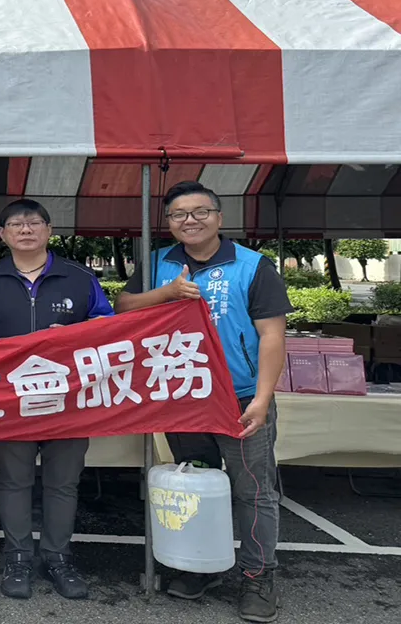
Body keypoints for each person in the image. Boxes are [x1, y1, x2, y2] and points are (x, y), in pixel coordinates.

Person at [116, 180, 289, 624]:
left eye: (199, 212)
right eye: (178, 214)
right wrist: (166, 294)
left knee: (253, 490)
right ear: (169, 222)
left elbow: (272, 336)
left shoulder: (252, 266)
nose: (189, 221)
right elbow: (124, 306)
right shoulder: (159, 262)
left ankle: (258, 576)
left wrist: (262, 399)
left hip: (239, 396)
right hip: (184, 394)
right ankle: (200, 565)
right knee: (195, 482)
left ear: (218, 217)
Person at [0, 199, 112, 601]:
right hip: (13, 400)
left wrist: (75, 335)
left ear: (49, 230)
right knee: (14, 481)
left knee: (63, 483)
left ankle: (58, 558)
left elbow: (108, 326)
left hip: (69, 399)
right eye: (16, 224)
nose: (25, 230)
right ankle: (18, 558)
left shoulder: (79, 277)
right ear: (2, 234)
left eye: (34, 223)